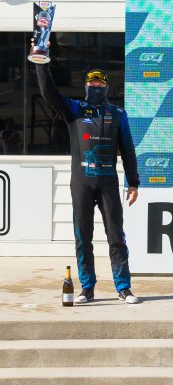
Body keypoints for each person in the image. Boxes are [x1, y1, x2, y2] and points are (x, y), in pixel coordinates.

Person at [35, 56, 141, 304]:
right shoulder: (74, 109)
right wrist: (41, 62)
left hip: (108, 183)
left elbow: (128, 149)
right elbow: (48, 92)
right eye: (90, 84)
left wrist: (133, 182)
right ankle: (87, 288)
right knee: (83, 236)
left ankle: (123, 288)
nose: (94, 87)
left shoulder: (117, 114)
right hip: (82, 182)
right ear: (85, 87)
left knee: (116, 236)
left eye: (99, 84)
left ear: (106, 87)